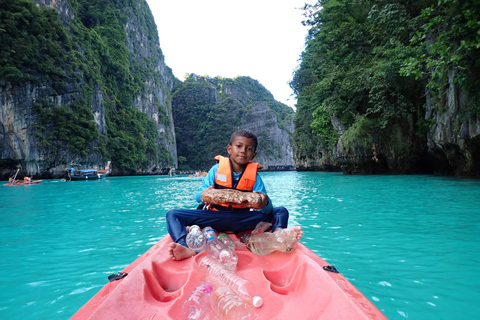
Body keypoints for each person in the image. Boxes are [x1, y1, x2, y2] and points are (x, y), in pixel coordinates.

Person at [166, 129, 303, 260]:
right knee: (172, 214)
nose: (243, 151)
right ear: (229, 149)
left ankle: (278, 236)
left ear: (253, 155)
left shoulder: (254, 176)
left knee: (280, 211)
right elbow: (198, 197)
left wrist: (264, 201)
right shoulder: (216, 170)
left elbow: (266, 210)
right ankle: (184, 246)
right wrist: (205, 194)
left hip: (242, 219)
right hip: (215, 217)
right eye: (239, 146)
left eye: (249, 148)